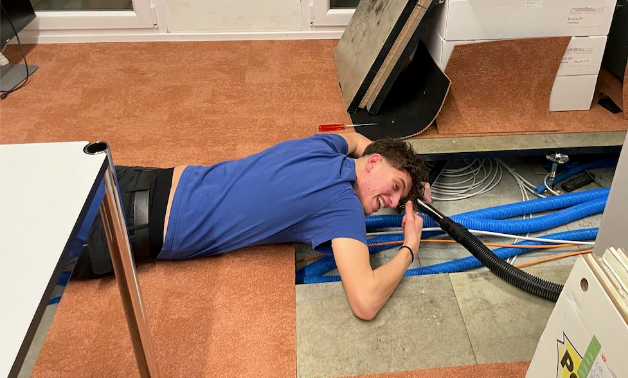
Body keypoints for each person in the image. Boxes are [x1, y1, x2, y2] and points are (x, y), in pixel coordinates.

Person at [73, 132, 431, 320]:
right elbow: (365, 301)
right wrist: (409, 246)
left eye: (398, 198)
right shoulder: (342, 207)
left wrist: (407, 184)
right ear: (373, 163)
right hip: (125, 229)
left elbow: (354, 137)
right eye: (394, 186)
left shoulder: (324, 146)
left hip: (139, 178)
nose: (391, 201)